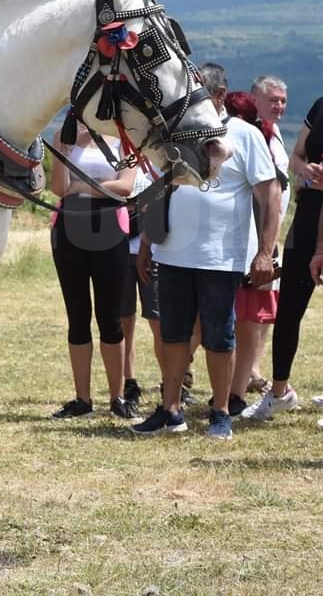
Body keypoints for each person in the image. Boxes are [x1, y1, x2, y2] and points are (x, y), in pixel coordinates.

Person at [131, 63, 280, 440]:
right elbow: (162, 190)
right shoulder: (178, 134)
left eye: (196, 94)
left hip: (221, 256)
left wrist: (265, 252)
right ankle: (170, 410)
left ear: (216, 96)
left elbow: (270, 195)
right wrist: (148, 243)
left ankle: (220, 411)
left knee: (219, 334)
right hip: (173, 253)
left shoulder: (245, 135)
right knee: (173, 334)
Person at [241, 92, 323, 422]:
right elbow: (296, 157)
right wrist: (308, 171)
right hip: (308, 216)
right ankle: (279, 392)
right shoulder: (319, 105)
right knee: (288, 307)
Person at [48, 120, 138, 420]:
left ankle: (117, 397)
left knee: (110, 317)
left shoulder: (125, 138)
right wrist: (63, 148)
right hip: (68, 229)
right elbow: (59, 187)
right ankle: (82, 400)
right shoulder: (65, 135)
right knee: (77, 316)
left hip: (110, 228)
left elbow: (125, 187)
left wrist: (82, 185)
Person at [224, 91, 286, 415]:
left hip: (256, 247)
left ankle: (236, 388)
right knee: (240, 322)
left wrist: (266, 249)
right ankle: (231, 387)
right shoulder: (260, 139)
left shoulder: (260, 142)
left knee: (249, 322)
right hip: (237, 247)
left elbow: (276, 197)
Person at [245, 74, 290, 393]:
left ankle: (252, 369)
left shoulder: (276, 135)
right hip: (251, 235)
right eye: (273, 99)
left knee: (265, 306)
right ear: (255, 100)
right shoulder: (251, 134)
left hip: (270, 238)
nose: (279, 106)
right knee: (247, 306)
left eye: (283, 100)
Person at [119, 169, 162, 409]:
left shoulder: (160, 163)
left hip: (156, 254)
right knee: (125, 321)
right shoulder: (121, 161)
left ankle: (172, 382)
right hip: (122, 249)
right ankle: (129, 381)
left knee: (159, 322)